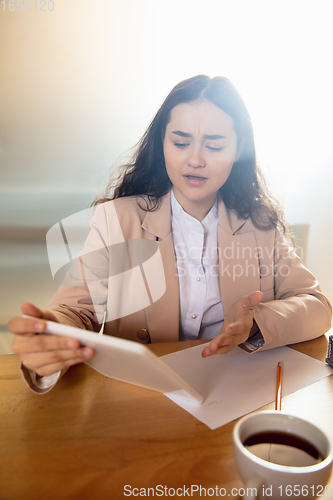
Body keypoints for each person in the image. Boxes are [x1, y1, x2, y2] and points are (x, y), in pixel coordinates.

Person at [8, 75, 332, 393]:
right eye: (180, 142)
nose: (195, 160)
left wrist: (256, 322)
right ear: (162, 142)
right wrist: (51, 336)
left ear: (239, 149)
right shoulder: (117, 221)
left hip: (233, 396)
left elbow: (317, 306)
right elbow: (76, 311)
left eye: (215, 145)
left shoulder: (261, 226)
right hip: (139, 398)